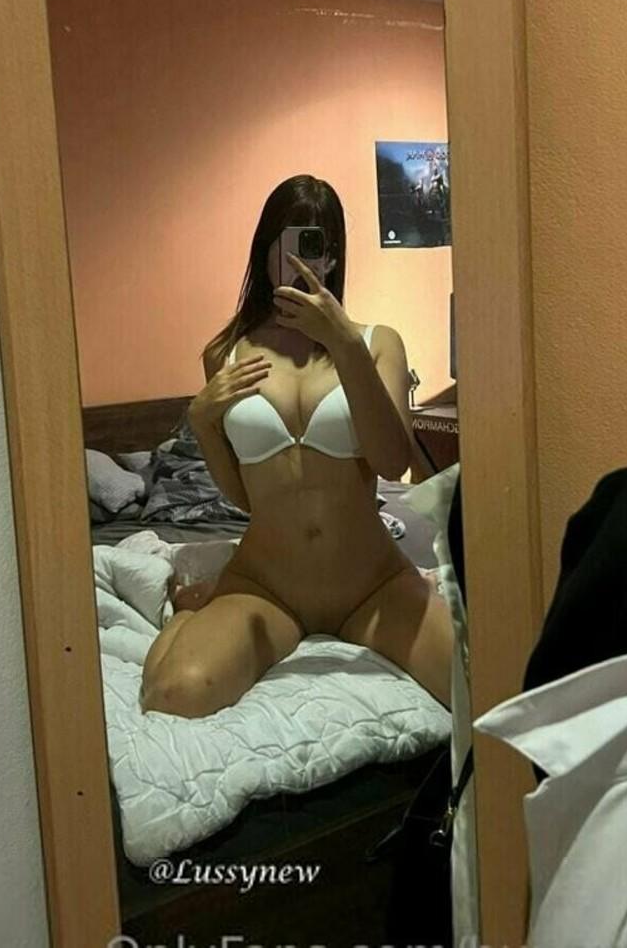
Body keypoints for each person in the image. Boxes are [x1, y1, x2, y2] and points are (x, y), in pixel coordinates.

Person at [139, 174, 453, 719]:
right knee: (173, 694)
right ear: (264, 251)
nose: (300, 260)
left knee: (478, 683)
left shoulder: (375, 343)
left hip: (372, 582)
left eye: (316, 244)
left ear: (332, 256)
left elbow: (392, 463)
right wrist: (202, 422)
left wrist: (345, 346)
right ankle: (190, 611)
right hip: (267, 586)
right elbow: (244, 497)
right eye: (287, 243)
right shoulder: (226, 353)